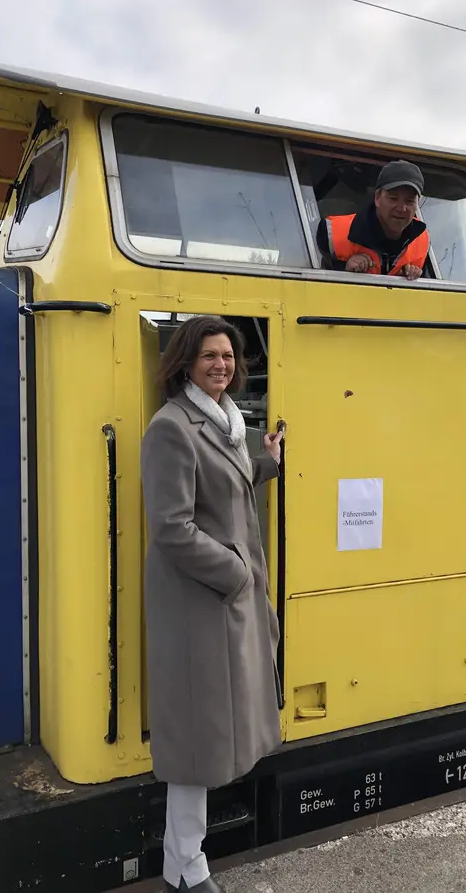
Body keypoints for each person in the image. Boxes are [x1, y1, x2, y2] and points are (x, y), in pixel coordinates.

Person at [141, 316, 284, 893]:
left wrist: (266, 459)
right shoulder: (171, 427)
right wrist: (236, 573)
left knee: (214, 731)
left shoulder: (224, 423)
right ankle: (185, 865)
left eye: (228, 356)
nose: (221, 365)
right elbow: (171, 528)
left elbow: (232, 483)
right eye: (209, 356)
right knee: (196, 741)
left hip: (225, 604)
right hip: (201, 606)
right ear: (185, 363)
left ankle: (184, 860)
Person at [316, 159, 434, 280]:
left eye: (409, 201)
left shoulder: (422, 241)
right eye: (393, 198)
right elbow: (312, 284)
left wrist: (413, 277)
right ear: (377, 197)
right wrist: (344, 271)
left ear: (417, 204)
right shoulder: (331, 233)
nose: (401, 208)